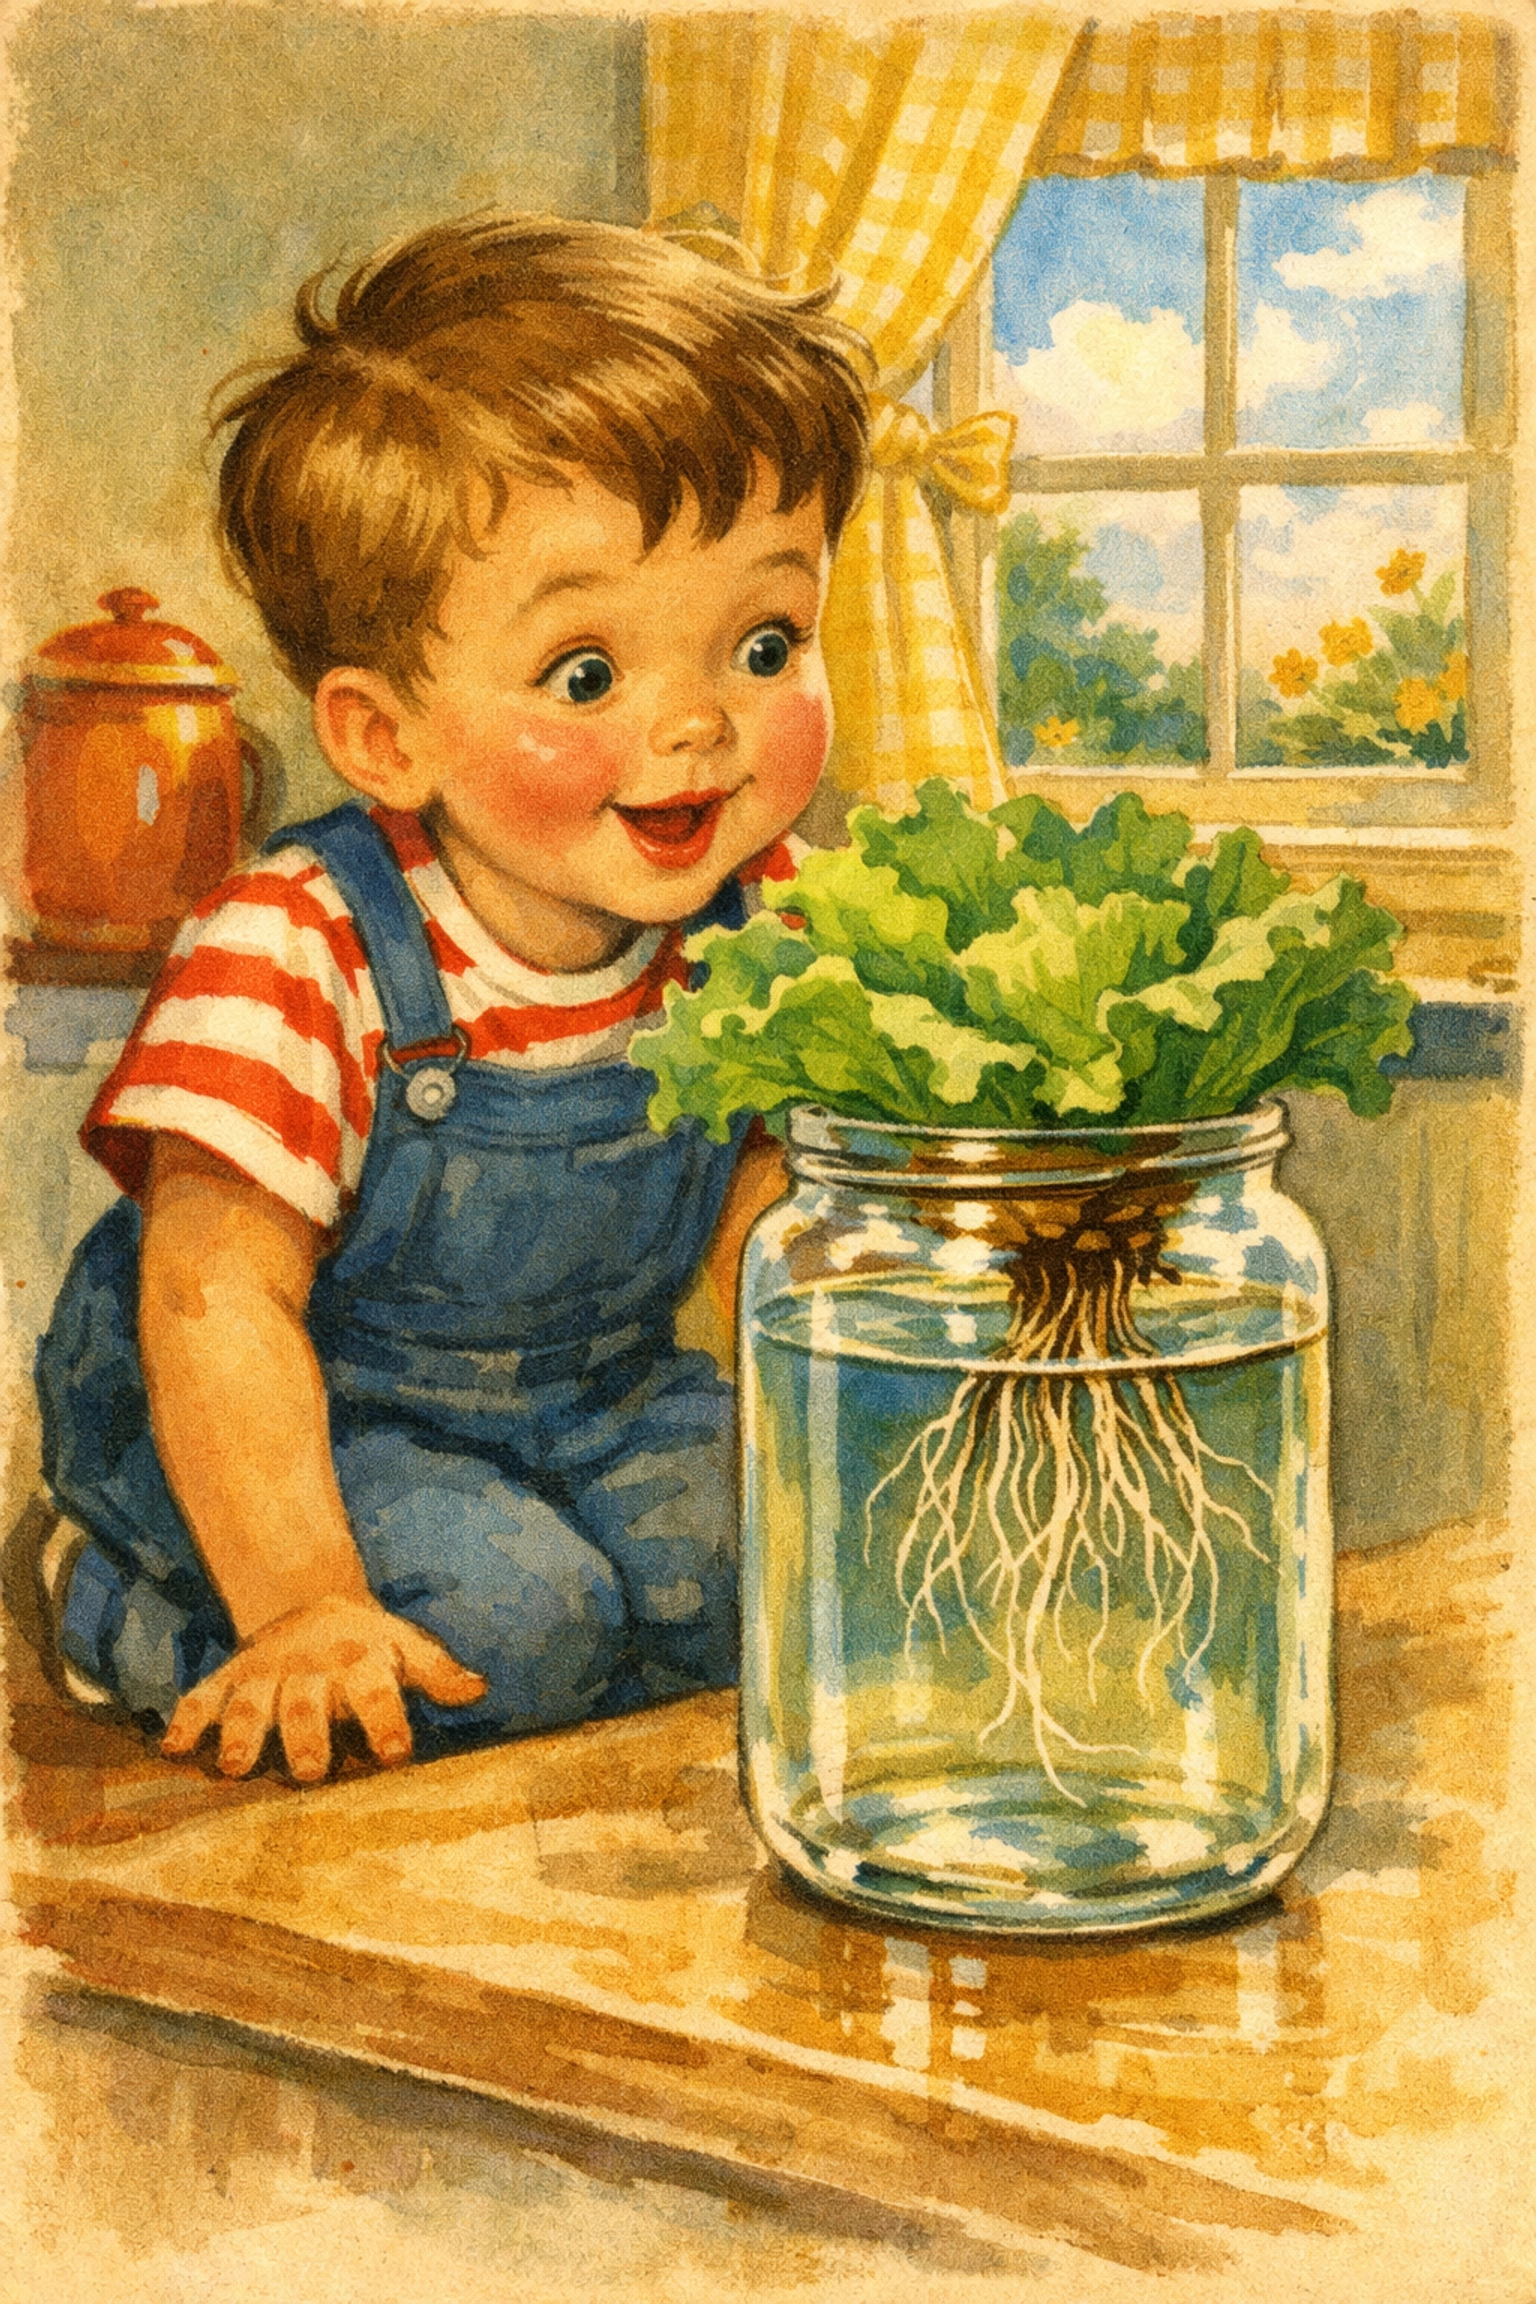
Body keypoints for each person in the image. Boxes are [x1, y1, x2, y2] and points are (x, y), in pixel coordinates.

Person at [36, 212, 871, 1784]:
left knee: (764, 1593)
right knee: (509, 1631)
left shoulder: (764, 923)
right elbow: (215, 1301)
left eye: (766, 640)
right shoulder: (299, 945)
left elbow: (768, 1209)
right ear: (384, 735)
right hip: (280, 1416)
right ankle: (118, 1600)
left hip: (593, 1401)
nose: (699, 726)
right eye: (587, 675)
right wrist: (305, 1602)